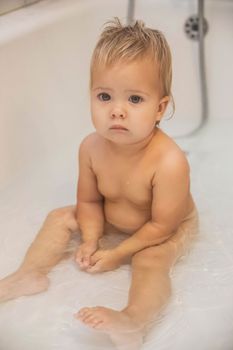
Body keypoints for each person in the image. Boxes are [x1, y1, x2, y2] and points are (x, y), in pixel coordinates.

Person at [0, 18, 199, 349]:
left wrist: (119, 253)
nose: (117, 111)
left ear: (160, 108)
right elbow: (90, 203)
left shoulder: (169, 162)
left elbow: (163, 226)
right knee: (59, 217)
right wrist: (91, 241)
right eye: (105, 96)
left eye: (134, 100)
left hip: (164, 229)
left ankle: (134, 320)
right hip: (115, 218)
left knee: (151, 261)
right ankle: (28, 274)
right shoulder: (90, 148)